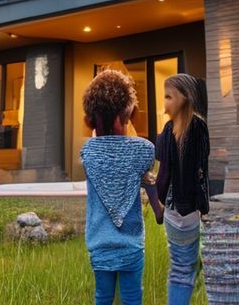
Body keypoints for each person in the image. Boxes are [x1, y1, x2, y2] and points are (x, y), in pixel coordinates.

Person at [80, 69, 164, 305]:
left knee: (103, 297)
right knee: (132, 298)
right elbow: (149, 183)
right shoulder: (144, 150)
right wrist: (158, 212)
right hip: (131, 244)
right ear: (125, 115)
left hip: (99, 243)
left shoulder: (88, 153)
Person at [154, 73, 210, 305]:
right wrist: (204, 208)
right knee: (182, 269)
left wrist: (158, 202)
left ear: (185, 98)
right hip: (188, 211)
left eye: (169, 97)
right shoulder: (198, 127)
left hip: (172, 210)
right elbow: (201, 171)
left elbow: (163, 171)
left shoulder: (168, 130)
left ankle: (193, 266)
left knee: (181, 265)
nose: (165, 103)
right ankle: (193, 268)